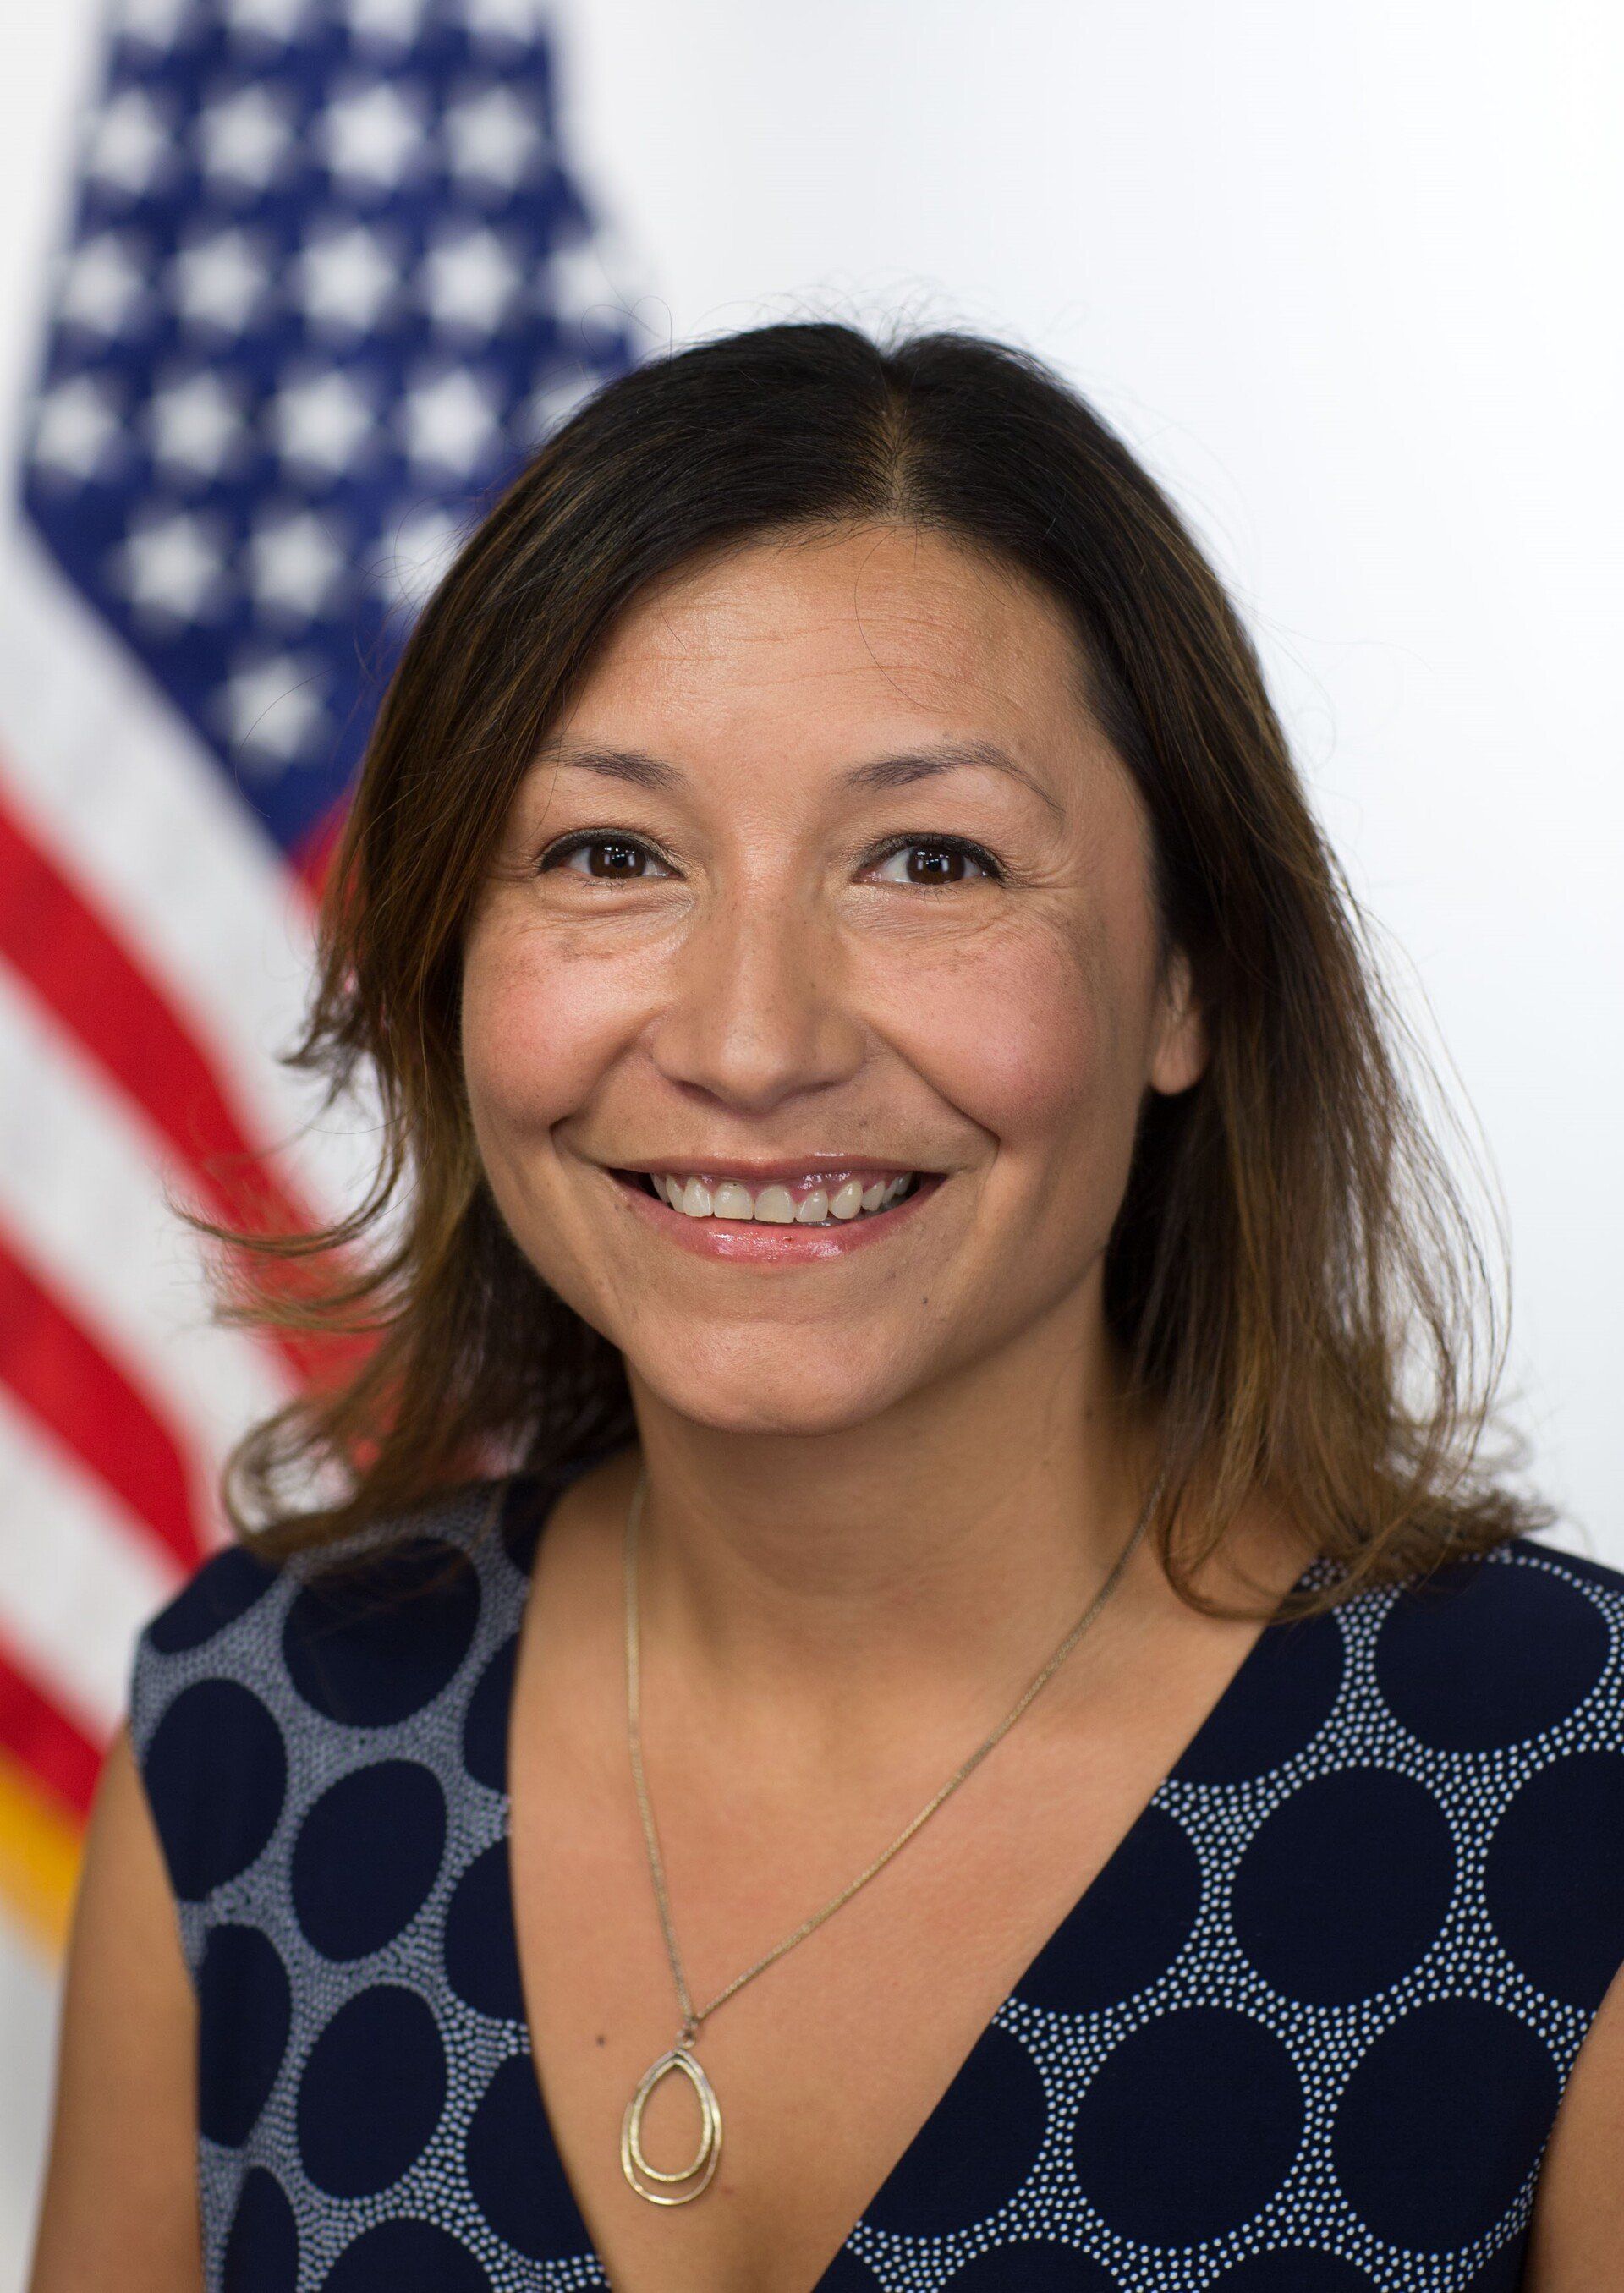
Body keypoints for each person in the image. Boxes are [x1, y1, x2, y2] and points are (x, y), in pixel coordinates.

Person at [27, 321, 1624, 2293]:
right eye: (610, 854)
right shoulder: (252, 1732)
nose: (752, 1041)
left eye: (928, 860)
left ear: (1192, 978)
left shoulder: (1572, 1789)